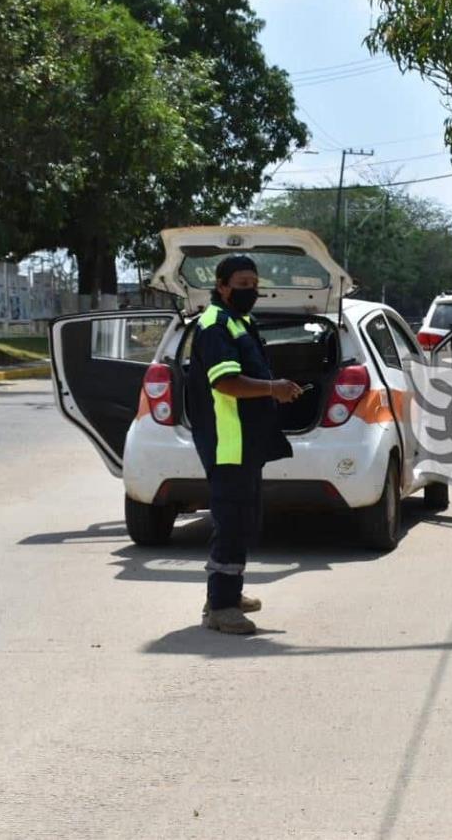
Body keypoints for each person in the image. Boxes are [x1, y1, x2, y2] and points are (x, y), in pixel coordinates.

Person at [189, 255, 302, 634]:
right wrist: (274, 388)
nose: (250, 290)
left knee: (245, 521)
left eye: (254, 283)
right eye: (242, 284)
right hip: (227, 444)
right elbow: (226, 383)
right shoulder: (214, 325)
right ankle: (220, 606)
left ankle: (229, 594)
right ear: (221, 286)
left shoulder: (241, 322)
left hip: (246, 445)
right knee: (232, 523)